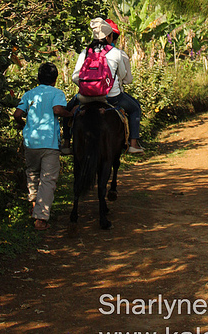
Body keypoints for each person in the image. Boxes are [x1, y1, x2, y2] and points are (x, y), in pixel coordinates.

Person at [69, 17, 143, 154]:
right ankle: (133, 144)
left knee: (68, 110)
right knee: (135, 109)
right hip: (112, 97)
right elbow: (122, 75)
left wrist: (88, 87)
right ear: (109, 37)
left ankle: (66, 143)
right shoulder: (117, 53)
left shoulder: (85, 53)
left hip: (86, 97)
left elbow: (75, 77)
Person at [13, 62, 72, 230]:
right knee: (48, 179)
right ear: (55, 79)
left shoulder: (30, 94)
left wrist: (22, 124)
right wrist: (70, 114)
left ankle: (34, 205)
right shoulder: (57, 93)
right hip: (49, 143)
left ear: (38, 78)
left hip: (31, 142)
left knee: (32, 173)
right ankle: (41, 217)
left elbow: (17, 114)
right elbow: (57, 110)